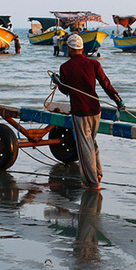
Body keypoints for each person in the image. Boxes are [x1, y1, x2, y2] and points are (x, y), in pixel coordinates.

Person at [53, 34, 124, 190]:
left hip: (80, 112)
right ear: (82, 48)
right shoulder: (94, 64)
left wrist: (58, 82)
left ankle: (91, 183)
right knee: (91, 142)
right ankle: (97, 173)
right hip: (95, 110)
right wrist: (118, 100)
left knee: (84, 147)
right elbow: (106, 84)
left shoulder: (65, 67)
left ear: (69, 49)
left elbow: (66, 90)